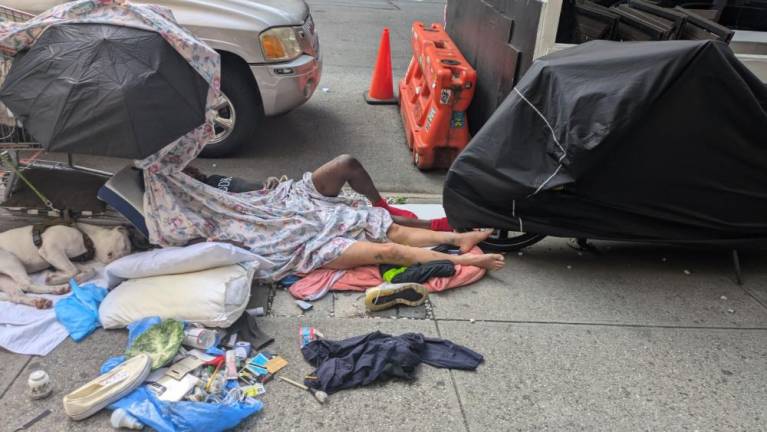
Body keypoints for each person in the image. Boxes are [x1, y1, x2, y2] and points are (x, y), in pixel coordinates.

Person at [183, 155, 504, 272]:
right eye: (187, 171)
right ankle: (464, 259)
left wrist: (268, 186)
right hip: (288, 235)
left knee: (346, 164)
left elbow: (263, 187)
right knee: (388, 249)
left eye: (191, 166)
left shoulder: (213, 180)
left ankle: (458, 237)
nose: (194, 169)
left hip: (291, 198)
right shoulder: (199, 204)